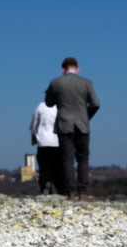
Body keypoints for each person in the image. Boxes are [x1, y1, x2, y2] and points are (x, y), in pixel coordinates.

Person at [45, 57, 100, 200]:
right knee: (83, 159)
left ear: (63, 70)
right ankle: (83, 191)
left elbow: (49, 103)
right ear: (77, 69)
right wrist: (86, 117)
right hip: (82, 125)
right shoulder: (86, 83)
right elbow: (96, 103)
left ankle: (70, 192)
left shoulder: (56, 83)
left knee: (67, 160)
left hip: (64, 125)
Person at [29, 99, 59, 194]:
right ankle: (56, 187)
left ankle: (45, 186)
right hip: (56, 141)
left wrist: (33, 136)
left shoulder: (40, 107)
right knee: (56, 167)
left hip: (43, 141)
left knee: (44, 167)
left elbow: (33, 125)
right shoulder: (59, 107)